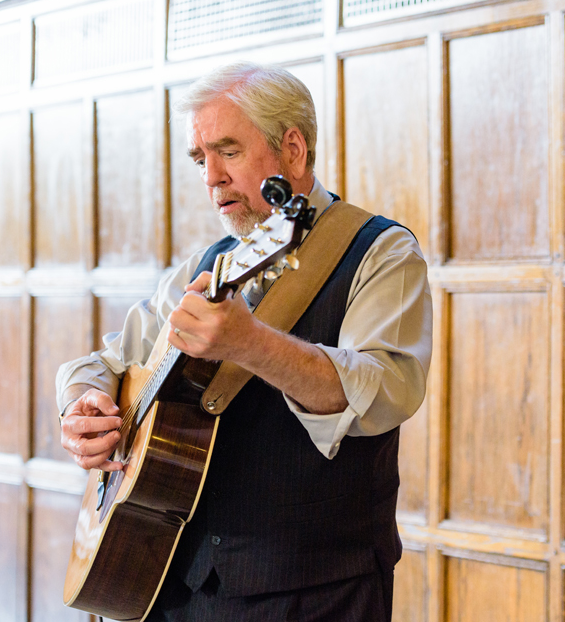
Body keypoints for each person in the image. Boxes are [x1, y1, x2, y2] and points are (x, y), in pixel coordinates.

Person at [55, 62, 432, 621]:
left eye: (227, 152)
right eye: (199, 159)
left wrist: (251, 342)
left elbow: (383, 393)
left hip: (316, 593)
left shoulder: (381, 253)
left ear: (294, 151)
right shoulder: (210, 265)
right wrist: (82, 406)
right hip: (175, 582)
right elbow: (105, 359)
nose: (210, 177)